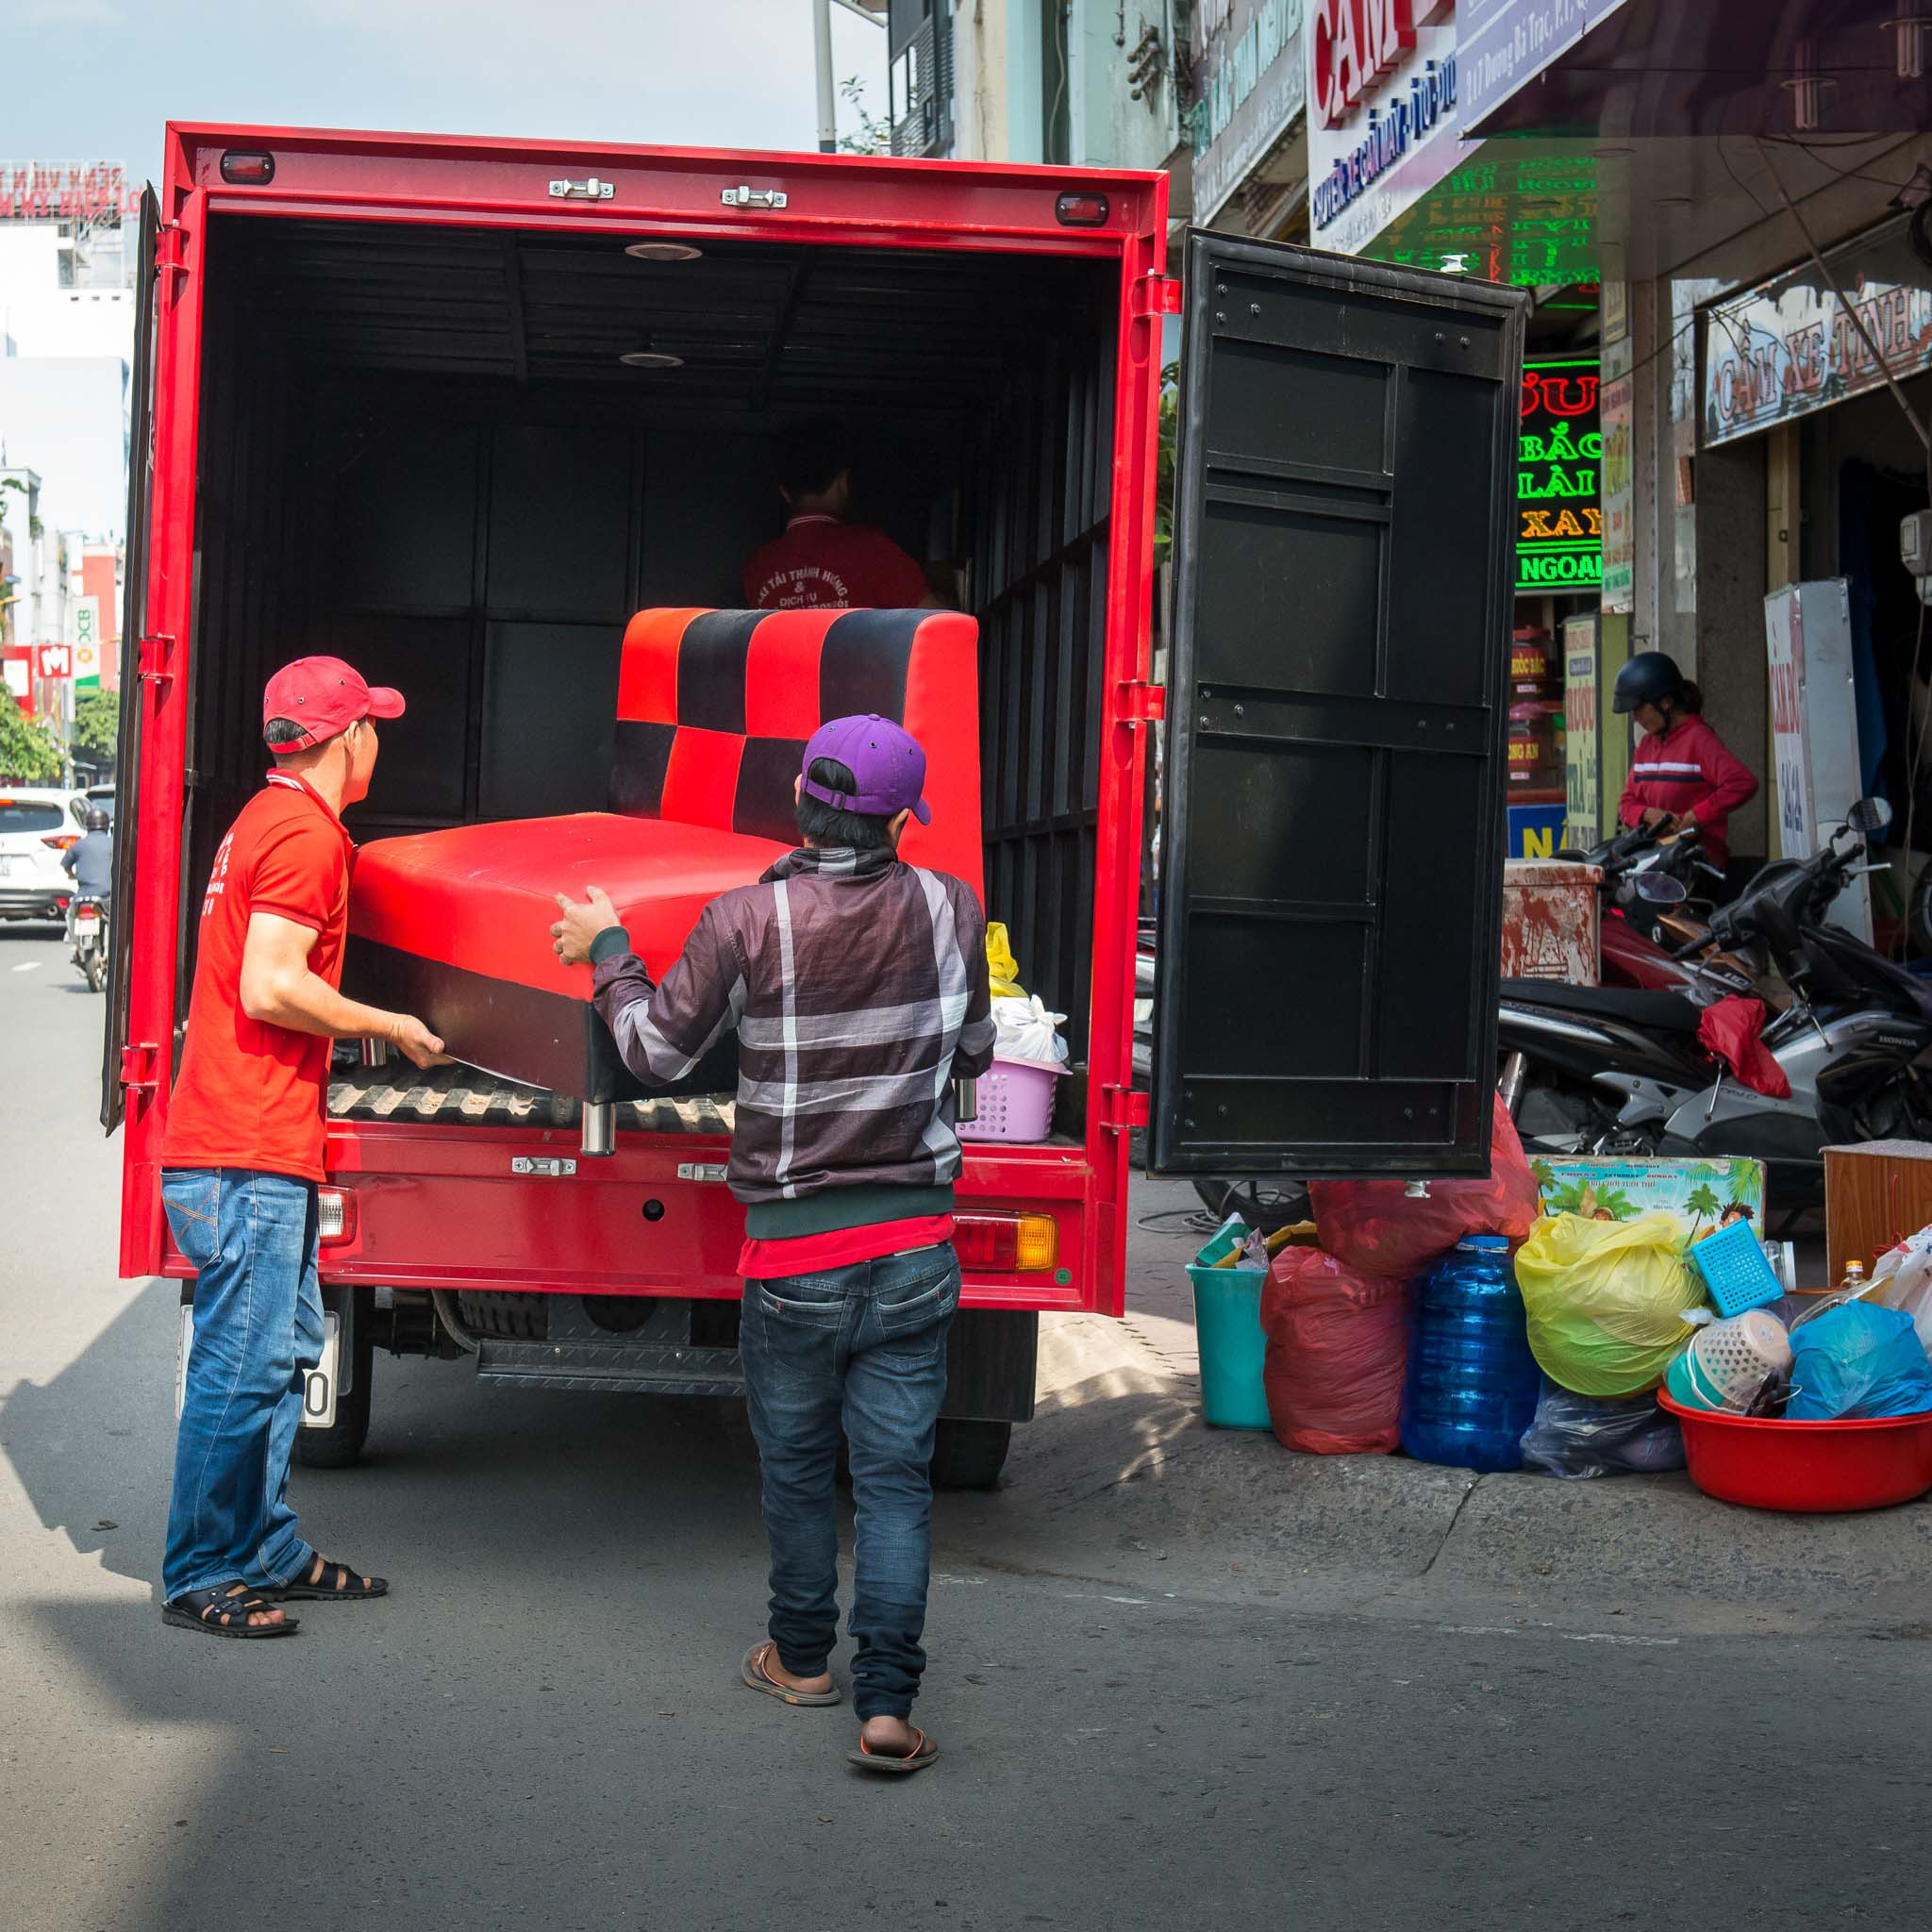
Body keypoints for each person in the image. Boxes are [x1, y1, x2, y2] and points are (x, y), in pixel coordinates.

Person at [551, 715, 993, 1774]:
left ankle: (800, 1662)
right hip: (915, 1248)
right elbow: (975, 1048)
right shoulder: (951, 906)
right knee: (892, 1482)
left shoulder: (746, 919)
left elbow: (654, 1049)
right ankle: (886, 1707)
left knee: (798, 1474)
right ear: (896, 819)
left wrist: (608, 954)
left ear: (798, 795)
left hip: (794, 1260)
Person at [158, 656, 447, 1639]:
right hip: (243, 1151)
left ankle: (265, 1548)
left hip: (255, 1143)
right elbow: (270, 986)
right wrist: (391, 1021)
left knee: (280, 1353)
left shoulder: (270, 819)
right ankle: (200, 1567)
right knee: (240, 1370)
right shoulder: (304, 837)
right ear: (341, 739)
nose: (379, 738)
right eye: (372, 723)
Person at [743, 419, 943, 611]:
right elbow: (941, 627)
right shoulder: (873, 551)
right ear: (843, 483)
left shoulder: (758, 567)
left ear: (784, 493)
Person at [1613, 650, 1759, 871]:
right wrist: (1646, 814)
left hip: (1695, 864)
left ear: (1665, 702)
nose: (1636, 718)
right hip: (1653, 859)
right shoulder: (1645, 745)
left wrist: (1696, 815)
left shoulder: (1699, 740)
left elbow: (1742, 783)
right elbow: (1625, 803)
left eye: (1639, 708)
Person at [61, 806, 114, 898]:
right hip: (108, 896)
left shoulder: (78, 845)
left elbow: (66, 866)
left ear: (87, 825)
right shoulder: (114, 844)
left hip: (83, 896)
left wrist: (72, 875)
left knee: (70, 911)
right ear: (107, 825)